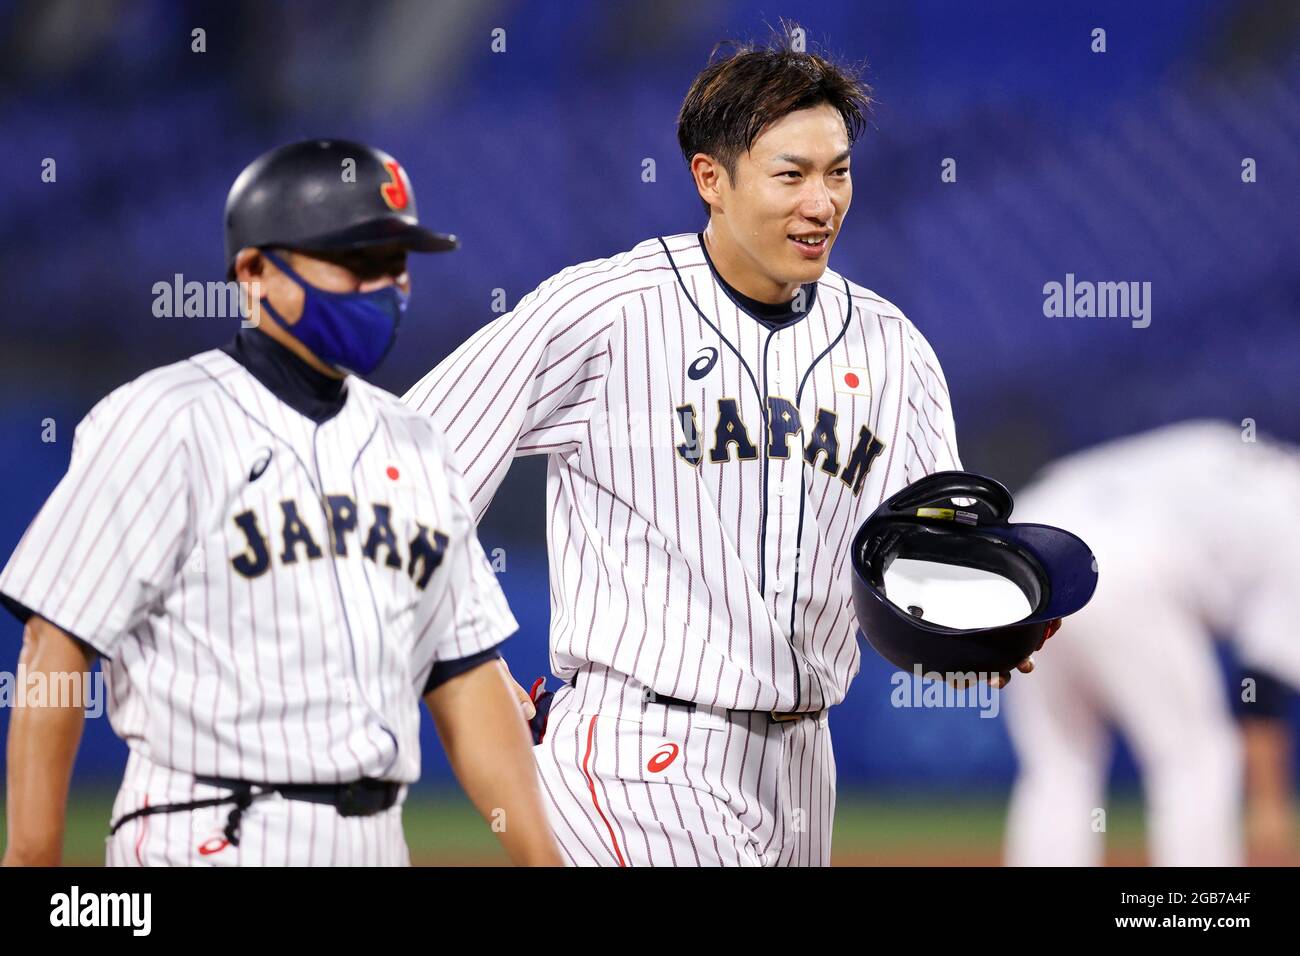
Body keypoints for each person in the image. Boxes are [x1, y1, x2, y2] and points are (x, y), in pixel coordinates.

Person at [402, 34, 1043, 866]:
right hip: (640, 750)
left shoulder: (891, 346)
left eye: (838, 171)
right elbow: (401, 469)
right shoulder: (610, 311)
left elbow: (917, 552)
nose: (823, 202)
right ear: (711, 179)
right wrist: (477, 668)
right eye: (792, 174)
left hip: (805, 762)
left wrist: (972, 626)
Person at [0, 139, 563, 867]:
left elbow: (466, 680)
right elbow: (56, 644)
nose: (383, 285)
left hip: (374, 842)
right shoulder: (164, 418)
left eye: (394, 264)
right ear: (256, 272)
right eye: (354, 261)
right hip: (206, 833)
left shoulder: (415, 443)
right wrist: (34, 857)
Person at [1004, 420, 1300, 866]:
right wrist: (1269, 805)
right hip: (1122, 565)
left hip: (1025, 544)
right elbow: (1265, 686)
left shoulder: (1248, 457)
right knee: (1194, 759)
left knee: (1060, 765)